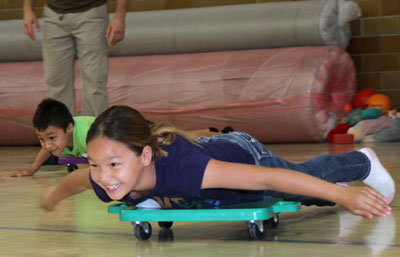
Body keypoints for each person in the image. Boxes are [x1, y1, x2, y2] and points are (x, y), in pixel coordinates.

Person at [41, 105, 395, 219]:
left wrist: (344, 198)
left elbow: (267, 180)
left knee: (297, 181)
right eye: (98, 163)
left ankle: (360, 161)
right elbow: (79, 180)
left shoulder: (187, 169)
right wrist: (53, 197)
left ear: (145, 155)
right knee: (307, 193)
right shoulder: (105, 176)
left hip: (239, 151)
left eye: (114, 164)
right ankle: (334, 187)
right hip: (197, 159)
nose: (104, 175)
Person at [4, 99, 222, 178]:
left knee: (169, 136)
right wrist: (31, 169)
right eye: (41, 139)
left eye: (51, 138)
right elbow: (45, 149)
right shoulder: (58, 140)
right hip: (121, 132)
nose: (47, 145)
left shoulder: (89, 133)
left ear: (69, 128)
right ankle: (211, 132)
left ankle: (217, 134)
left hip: (128, 128)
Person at [23, 0, 128, 116]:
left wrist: (119, 16)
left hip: (91, 13)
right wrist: (27, 9)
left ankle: (92, 128)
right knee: (55, 80)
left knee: (94, 79)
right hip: (54, 15)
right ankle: (62, 129)